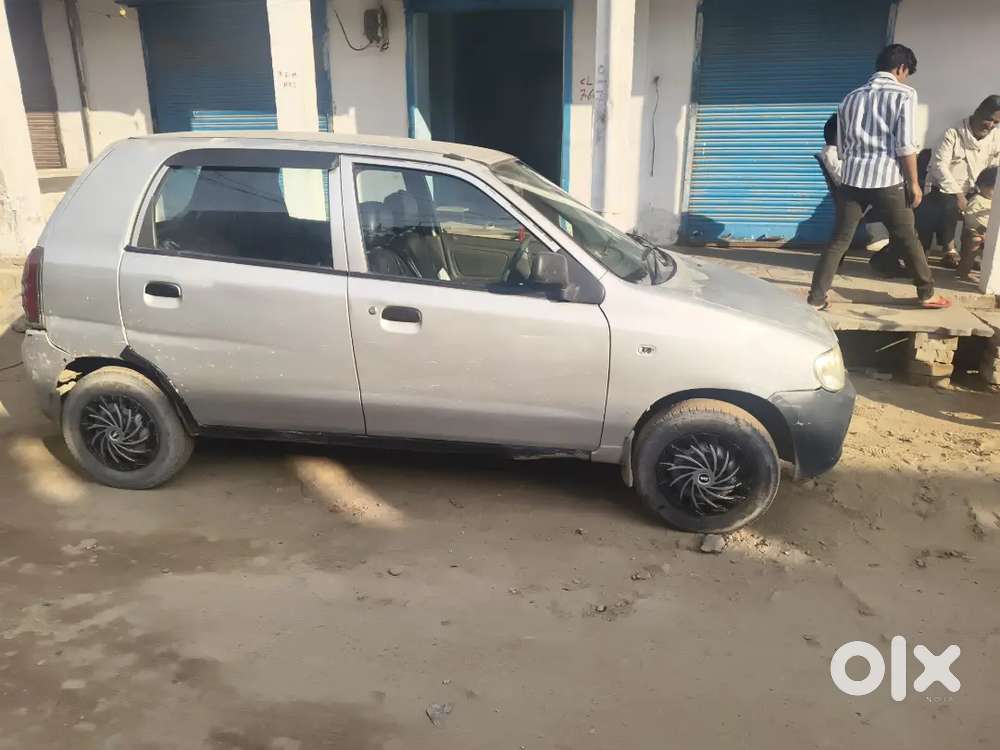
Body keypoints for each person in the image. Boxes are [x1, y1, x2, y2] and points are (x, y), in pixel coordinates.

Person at [808, 44, 949, 311]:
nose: (906, 78)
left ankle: (815, 299)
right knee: (908, 237)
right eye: (907, 73)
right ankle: (926, 293)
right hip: (887, 181)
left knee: (839, 241)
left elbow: (843, 145)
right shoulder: (905, 94)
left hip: (852, 180)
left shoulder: (849, 98)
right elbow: (905, 146)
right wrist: (914, 183)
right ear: (901, 68)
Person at [920, 95, 1000, 267]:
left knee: (986, 209)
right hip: (943, 189)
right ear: (978, 113)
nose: (991, 125)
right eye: (989, 119)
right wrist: (958, 194)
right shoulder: (953, 133)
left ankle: (971, 255)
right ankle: (949, 250)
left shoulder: (996, 136)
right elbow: (938, 166)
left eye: (996, 122)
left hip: (976, 189)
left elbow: (994, 169)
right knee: (949, 205)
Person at [957, 165, 997, 280]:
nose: (994, 192)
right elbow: (969, 217)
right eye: (992, 188)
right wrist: (979, 229)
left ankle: (990, 275)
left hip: (991, 234)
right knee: (973, 246)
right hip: (975, 232)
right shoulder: (977, 200)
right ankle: (964, 271)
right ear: (982, 186)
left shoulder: (996, 201)